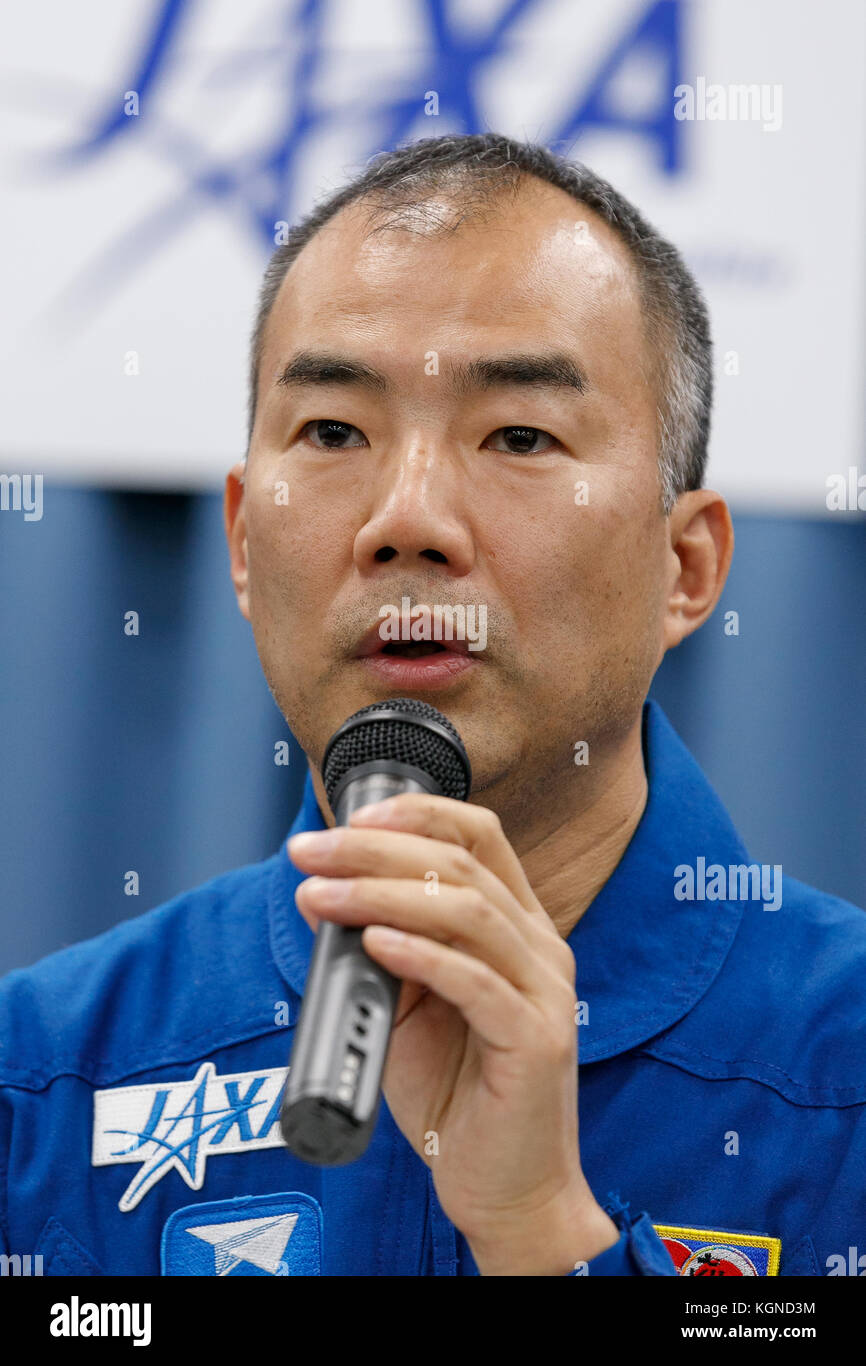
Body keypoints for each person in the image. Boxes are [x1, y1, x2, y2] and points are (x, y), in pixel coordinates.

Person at [1, 133, 863, 1278]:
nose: (406, 519)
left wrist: (544, 1234)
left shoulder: (838, 1065)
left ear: (686, 567)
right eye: (333, 432)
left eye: (517, 435)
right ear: (243, 542)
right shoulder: (47, 1072)